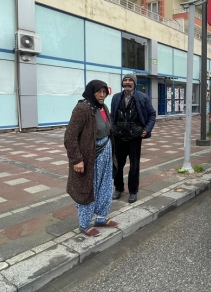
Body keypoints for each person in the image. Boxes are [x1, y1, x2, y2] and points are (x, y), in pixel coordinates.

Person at [64, 80, 118, 237]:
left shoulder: (103, 107)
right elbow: (70, 137)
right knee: (88, 188)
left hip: (106, 152)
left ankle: (100, 218)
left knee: (105, 186)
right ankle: (84, 223)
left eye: (104, 92)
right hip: (90, 156)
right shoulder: (82, 109)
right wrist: (77, 159)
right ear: (91, 92)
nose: (102, 95)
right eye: (98, 92)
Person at [111, 74, 157, 203]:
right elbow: (112, 115)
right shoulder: (116, 97)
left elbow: (152, 114)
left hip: (135, 138)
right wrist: (113, 128)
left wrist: (146, 129)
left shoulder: (143, 97)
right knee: (117, 165)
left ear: (135, 83)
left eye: (130, 80)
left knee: (134, 166)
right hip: (119, 137)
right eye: (125, 80)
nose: (127, 82)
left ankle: (133, 191)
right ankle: (118, 188)